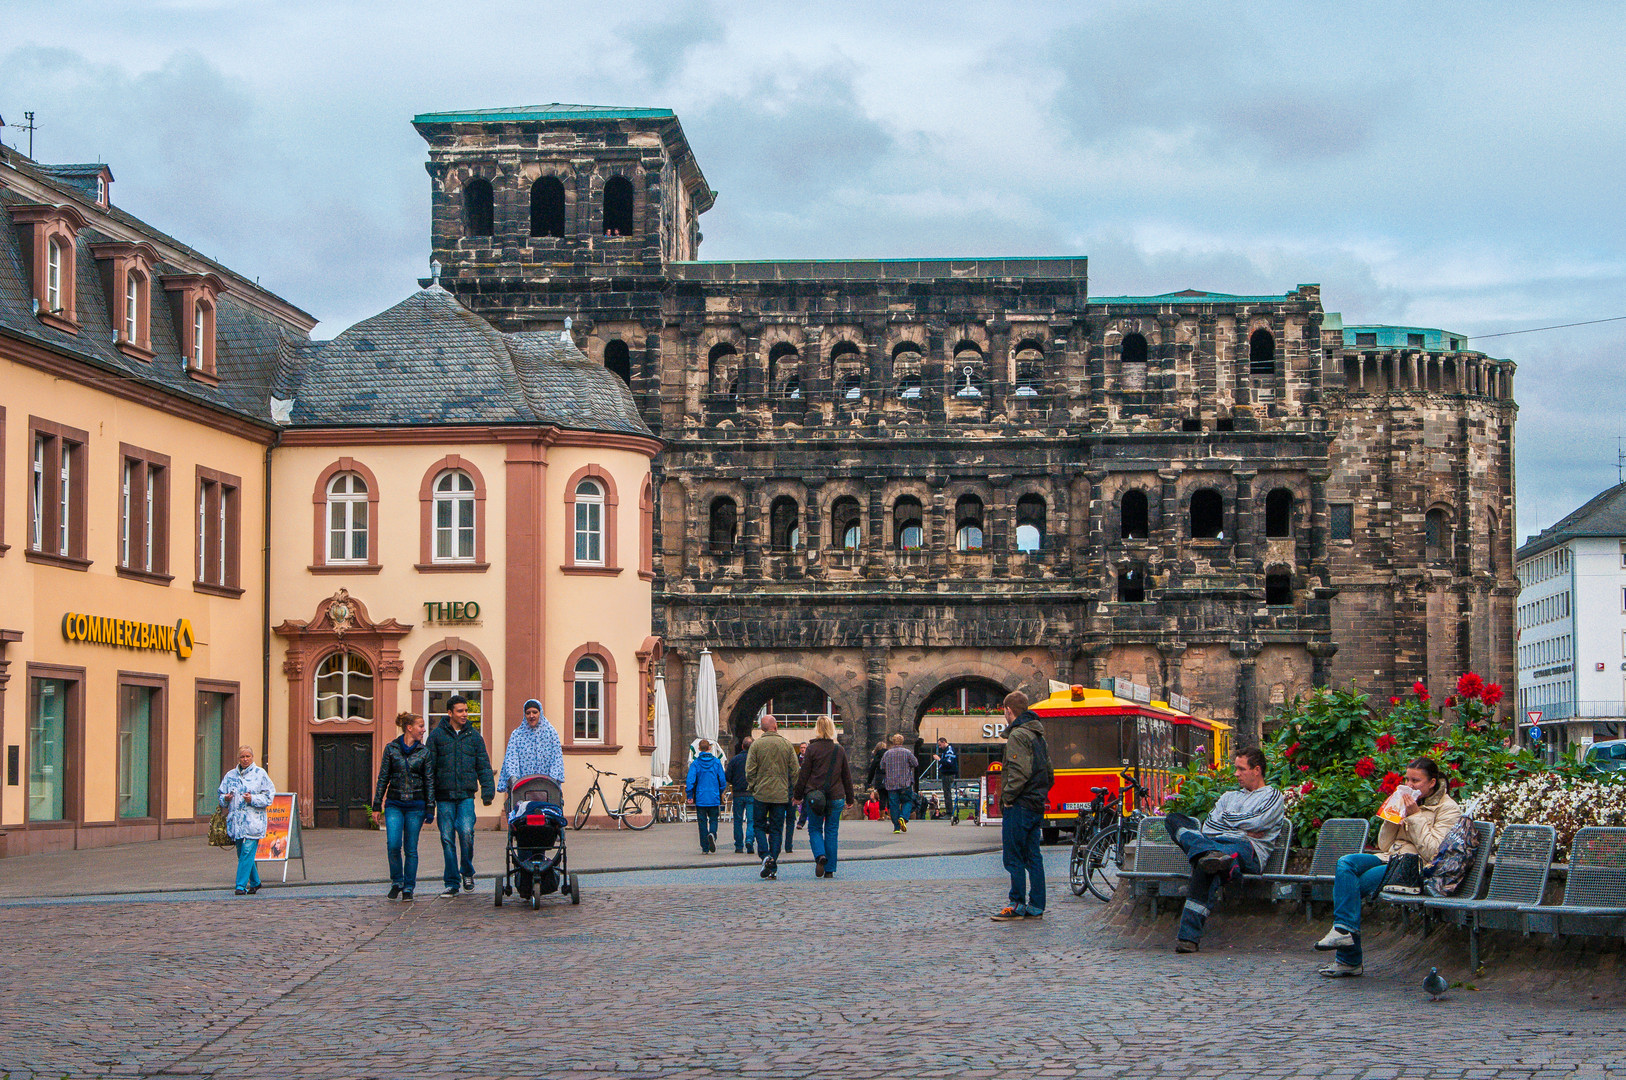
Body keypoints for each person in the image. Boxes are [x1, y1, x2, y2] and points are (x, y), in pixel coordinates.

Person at [1315, 756, 1461, 977]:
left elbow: (1433, 852)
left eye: (1416, 781)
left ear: (1432, 782)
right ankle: (1343, 932)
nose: (1409, 786)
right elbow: (1384, 844)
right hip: (1390, 857)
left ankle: (1348, 957)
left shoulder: (1448, 809)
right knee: (1346, 864)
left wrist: (1415, 817)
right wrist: (1392, 816)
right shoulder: (1407, 800)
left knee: (1352, 885)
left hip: (1415, 866)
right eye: (1407, 779)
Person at [1161, 746, 1286, 952]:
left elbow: (1259, 821)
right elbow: (1209, 827)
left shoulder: (1272, 796)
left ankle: (1188, 938)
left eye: (1241, 769)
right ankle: (1211, 857)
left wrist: (1227, 820)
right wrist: (1243, 826)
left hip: (1248, 850)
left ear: (1256, 770)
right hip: (1217, 844)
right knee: (1173, 819)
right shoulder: (1229, 796)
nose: (1236, 773)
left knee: (1208, 864)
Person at [990, 691, 1054, 920]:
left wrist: (1007, 797)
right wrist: (1041, 793)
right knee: (1033, 856)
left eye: (1004, 711)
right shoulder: (1038, 736)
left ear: (1009, 710)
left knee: (1014, 857)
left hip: (1019, 804)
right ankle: (1037, 905)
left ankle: (1016, 904)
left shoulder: (1018, 735)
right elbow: (1049, 773)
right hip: (1036, 803)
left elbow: (1019, 772)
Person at [427, 695, 494, 897]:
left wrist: (487, 791)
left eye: (466, 710)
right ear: (450, 713)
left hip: (466, 795)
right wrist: (429, 799)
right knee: (447, 838)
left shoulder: (474, 737)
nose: (465, 714)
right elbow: (429, 769)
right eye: (460, 711)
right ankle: (452, 882)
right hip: (444, 796)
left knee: (466, 834)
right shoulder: (436, 737)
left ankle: (467, 872)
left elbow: (483, 765)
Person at [373, 711, 436, 901]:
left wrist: (430, 807)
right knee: (393, 845)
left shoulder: (424, 752)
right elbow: (383, 777)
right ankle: (396, 882)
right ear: (409, 728)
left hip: (416, 805)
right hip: (394, 803)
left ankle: (408, 887)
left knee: (411, 848)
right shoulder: (391, 749)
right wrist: (377, 805)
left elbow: (429, 781)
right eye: (420, 726)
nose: (424, 730)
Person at [795, 717, 855, 878]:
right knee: (831, 831)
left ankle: (820, 855)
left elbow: (804, 775)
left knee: (814, 828)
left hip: (815, 796)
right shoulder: (839, 749)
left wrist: (797, 795)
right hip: (836, 795)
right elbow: (846, 776)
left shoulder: (812, 749)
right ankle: (830, 869)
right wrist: (850, 798)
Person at [745, 714, 798, 879]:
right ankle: (773, 862)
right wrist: (794, 791)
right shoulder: (786, 745)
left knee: (758, 826)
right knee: (776, 829)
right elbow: (795, 771)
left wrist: (753, 786)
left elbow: (749, 771)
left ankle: (765, 855)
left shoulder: (756, 745)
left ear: (762, 728)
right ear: (775, 726)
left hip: (761, 793)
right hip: (781, 795)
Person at [218, 745, 276, 895]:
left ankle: (240, 886)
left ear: (252, 757)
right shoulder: (230, 775)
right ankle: (255, 882)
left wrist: (253, 799)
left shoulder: (260, 774)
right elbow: (221, 796)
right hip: (236, 822)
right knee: (241, 853)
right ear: (238, 758)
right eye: (242, 757)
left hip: (253, 821)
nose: (245, 759)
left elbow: (269, 796)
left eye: (247, 756)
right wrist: (226, 798)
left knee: (247, 852)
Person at [496, 698, 565, 793]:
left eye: (534, 712)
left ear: (540, 713)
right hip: (523, 789)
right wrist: (514, 780)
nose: (531, 716)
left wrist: (551, 782)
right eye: (528, 713)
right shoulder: (517, 735)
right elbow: (511, 759)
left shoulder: (551, 733)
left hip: (547, 789)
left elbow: (557, 759)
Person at [686, 739, 728, 853]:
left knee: (702, 822)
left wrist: (690, 795)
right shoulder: (716, 762)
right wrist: (719, 791)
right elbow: (722, 780)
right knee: (714, 819)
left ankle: (705, 847)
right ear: (709, 748)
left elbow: (690, 781)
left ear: (699, 749)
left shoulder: (695, 763)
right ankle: (712, 834)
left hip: (701, 797)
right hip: (714, 796)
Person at [880, 734, 918, 833]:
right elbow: (915, 763)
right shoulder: (907, 752)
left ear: (893, 742)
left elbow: (882, 767)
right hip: (904, 782)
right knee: (907, 801)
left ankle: (896, 827)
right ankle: (903, 817)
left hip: (891, 783)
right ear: (902, 742)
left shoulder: (887, 753)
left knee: (894, 805)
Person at [726, 736, 758, 854]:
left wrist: (735, 782)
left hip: (738, 793)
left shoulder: (735, 760)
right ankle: (749, 840)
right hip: (752, 793)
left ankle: (738, 845)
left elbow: (727, 776)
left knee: (738, 820)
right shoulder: (755, 760)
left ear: (742, 746)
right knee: (751, 820)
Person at [933, 736, 960, 824]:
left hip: (948, 774)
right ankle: (949, 811)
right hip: (946, 774)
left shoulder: (949, 750)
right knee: (946, 793)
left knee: (947, 793)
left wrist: (939, 759)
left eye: (940, 745)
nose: (940, 747)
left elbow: (949, 762)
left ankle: (949, 812)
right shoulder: (946, 750)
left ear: (944, 742)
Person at [864, 739, 889, 818]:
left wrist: (869, 781)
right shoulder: (889, 755)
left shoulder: (877, 757)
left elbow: (872, 770)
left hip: (880, 779)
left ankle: (881, 816)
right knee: (891, 797)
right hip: (889, 778)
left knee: (882, 797)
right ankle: (891, 815)